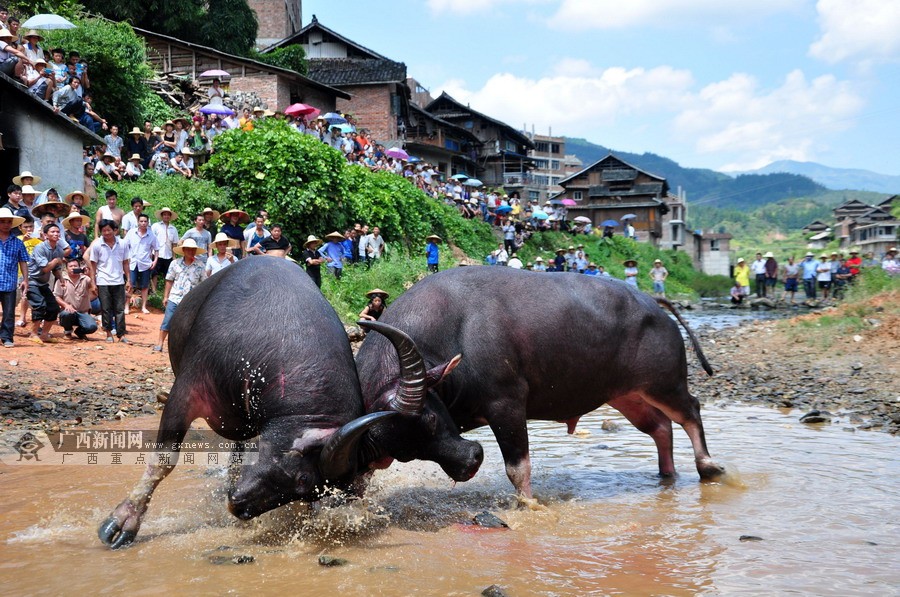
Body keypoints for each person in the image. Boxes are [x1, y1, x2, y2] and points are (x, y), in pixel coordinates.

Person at [153, 239, 205, 352]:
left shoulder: (200, 266)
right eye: (188, 249)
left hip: (191, 300)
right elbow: (169, 280)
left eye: (193, 249)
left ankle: (183, 348)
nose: (191, 251)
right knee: (168, 320)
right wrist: (166, 296)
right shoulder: (175, 263)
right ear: (184, 250)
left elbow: (203, 283)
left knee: (188, 324)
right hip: (175, 297)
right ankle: (160, 343)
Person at [90, 219, 131, 343]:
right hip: (103, 280)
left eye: (109, 230)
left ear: (115, 230)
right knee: (106, 308)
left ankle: (121, 334)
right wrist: (93, 282)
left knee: (120, 309)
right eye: (104, 230)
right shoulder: (97, 245)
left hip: (118, 280)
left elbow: (125, 263)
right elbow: (93, 265)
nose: (106, 233)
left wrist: (129, 280)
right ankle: (108, 333)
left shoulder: (123, 244)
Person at [26, 222, 66, 343]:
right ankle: (33, 334)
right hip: (32, 281)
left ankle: (44, 334)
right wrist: (56, 260)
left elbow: (55, 269)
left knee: (53, 307)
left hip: (43, 283)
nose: (56, 234)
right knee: (39, 305)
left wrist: (61, 278)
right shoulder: (40, 248)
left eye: (57, 232)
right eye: (52, 232)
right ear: (45, 235)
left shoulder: (58, 249)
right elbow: (45, 268)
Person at [0, 207, 29, 348]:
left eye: (8, 221)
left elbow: (23, 261)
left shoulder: (18, 243)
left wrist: (25, 279)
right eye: (2, 221)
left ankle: (6, 337)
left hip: (9, 282)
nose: (6, 224)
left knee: (9, 313)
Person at [54, 258, 98, 339]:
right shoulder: (62, 280)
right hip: (69, 312)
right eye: (71, 266)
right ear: (66, 269)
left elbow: (94, 290)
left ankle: (79, 332)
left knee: (92, 327)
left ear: (79, 267)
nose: (73, 268)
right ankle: (67, 331)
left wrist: (89, 275)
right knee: (65, 314)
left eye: (75, 266)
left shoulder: (86, 279)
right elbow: (57, 297)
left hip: (83, 312)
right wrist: (66, 305)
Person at [124, 214, 159, 314]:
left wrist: (155, 261)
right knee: (130, 285)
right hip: (132, 263)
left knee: (145, 286)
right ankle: (127, 307)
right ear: (138, 222)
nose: (143, 223)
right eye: (141, 221)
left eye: (145, 221)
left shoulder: (152, 235)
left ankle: (143, 307)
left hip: (145, 264)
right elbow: (125, 246)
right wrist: (125, 260)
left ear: (148, 223)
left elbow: (156, 249)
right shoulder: (131, 233)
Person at [151, 207, 179, 293]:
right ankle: (154, 292)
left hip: (168, 254)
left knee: (168, 274)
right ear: (162, 215)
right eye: (164, 214)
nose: (166, 216)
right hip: (157, 254)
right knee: (154, 273)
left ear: (170, 216)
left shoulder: (173, 229)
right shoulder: (156, 226)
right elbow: (151, 240)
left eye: (168, 215)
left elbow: (174, 243)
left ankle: (166, 292)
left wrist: (174, 256)